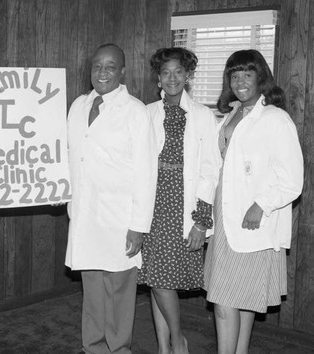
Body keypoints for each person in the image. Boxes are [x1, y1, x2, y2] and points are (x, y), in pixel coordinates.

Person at [204, 49, 303, 354]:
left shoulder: (276, 119)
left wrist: (261, 204)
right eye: (234, 75)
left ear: (261, 77)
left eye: (248, 74)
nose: (240, 81)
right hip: (225, 214)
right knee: (239, 297)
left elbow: (292, 180)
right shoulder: (232, 113)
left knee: (224, 300)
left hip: (252, 219)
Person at [65, 43, 158, 354]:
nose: (102, 72)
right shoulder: (78, 106)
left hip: (120, 217)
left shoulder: (135, 111)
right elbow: (69, 157)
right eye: (96, 66)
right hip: (85, 214)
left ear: (122, 72)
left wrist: (139, 226)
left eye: (110, 66)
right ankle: (93, 347)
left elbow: (147, 174)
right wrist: (58, 189)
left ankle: (118, 349)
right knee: (92, 289)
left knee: (118, 291)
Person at [137, 47, 221, 354]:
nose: (172, 78)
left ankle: (177, 339)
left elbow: (211, 170)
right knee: (157, 279)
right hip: (151, 203)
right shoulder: (147, 112)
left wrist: (201, 220)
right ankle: (164, 347)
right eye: (165, 73)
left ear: (187, 77)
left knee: (161, 279)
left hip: (181, 205)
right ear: (158, 78)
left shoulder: (201, 115)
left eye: (178, 72)